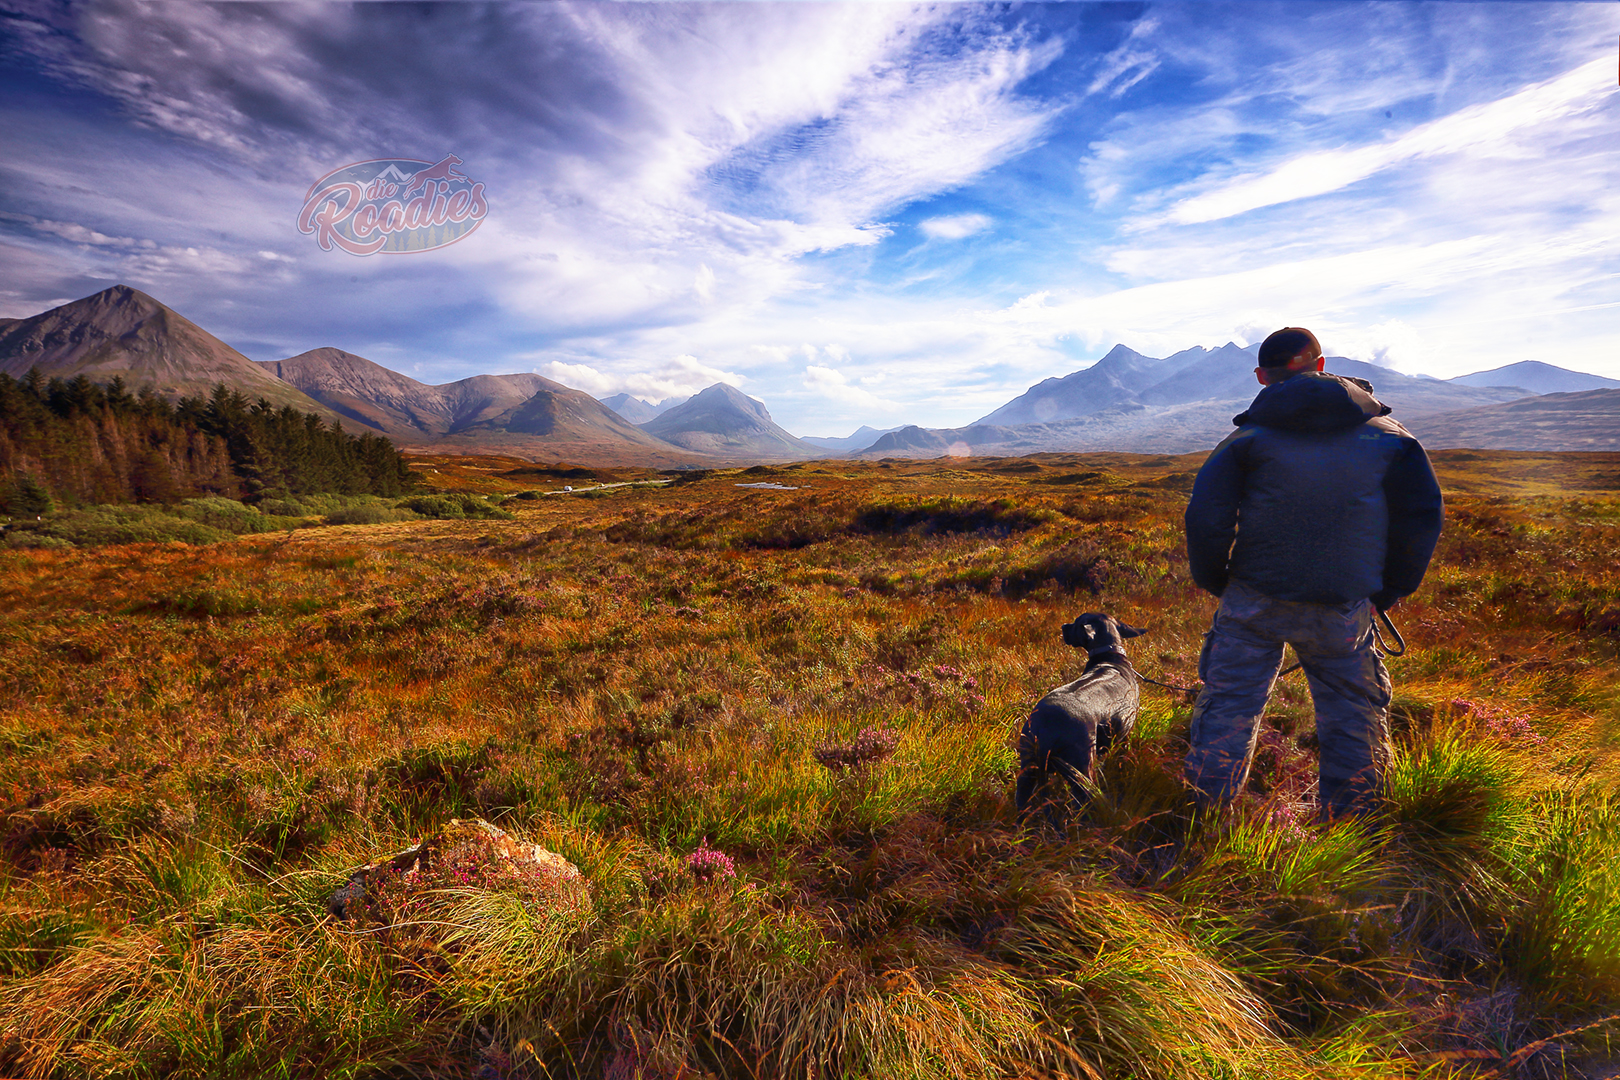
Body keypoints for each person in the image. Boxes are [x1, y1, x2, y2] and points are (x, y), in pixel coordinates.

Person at [1182, 327, 1443, 818]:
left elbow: (1205, 518)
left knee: (1229, 710)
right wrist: (1386, 591)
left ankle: (1204, 822)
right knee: (1352, 714)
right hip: (1344, 604)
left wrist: (1219, 582)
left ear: (1262, 377)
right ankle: (1354, 832)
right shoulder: (1392, 438)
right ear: (1320, 365)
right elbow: (1421, 517)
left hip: (1253, 599)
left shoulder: (1245, 439)